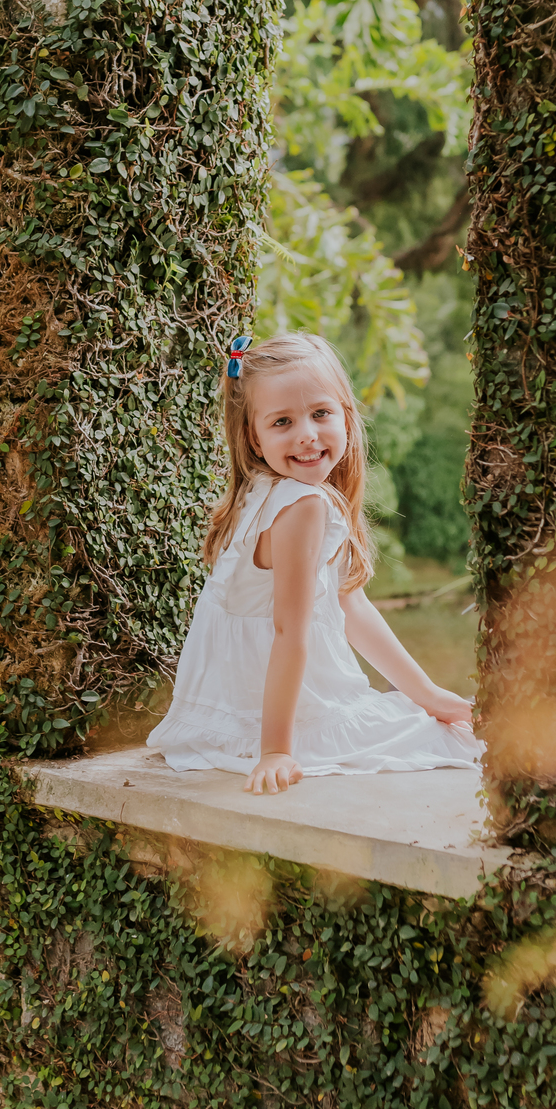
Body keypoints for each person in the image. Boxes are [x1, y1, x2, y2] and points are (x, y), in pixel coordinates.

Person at [146, 332, 482, 794]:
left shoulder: (262, 488)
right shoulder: (302, 505)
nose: (306, 433)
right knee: (458, 745)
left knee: (435, 717)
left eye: (320, 413)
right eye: (282, 421)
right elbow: (289, 632)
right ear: (255, 439)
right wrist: (277, 751)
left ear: (346, 418)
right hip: (283, 718)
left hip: (224, 713)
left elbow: (350, 605)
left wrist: (427, 695)